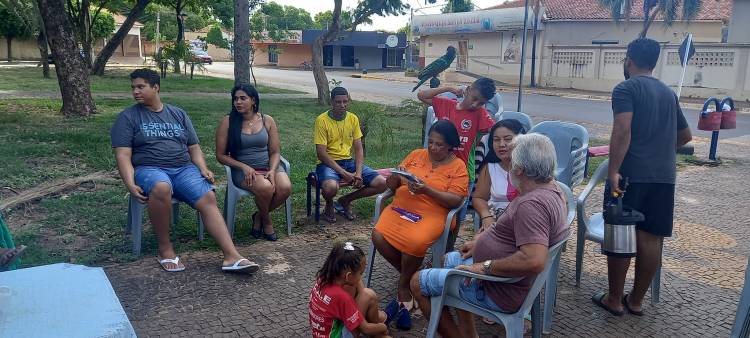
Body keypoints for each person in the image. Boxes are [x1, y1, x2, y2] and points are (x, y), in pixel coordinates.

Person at [410, 133, 569, 338]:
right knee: (450, 258)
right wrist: (481, 242)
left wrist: (483, 267)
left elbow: (534, 260)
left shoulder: (532, 205)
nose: (508, 166)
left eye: (511, 161)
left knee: (417, 282)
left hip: (500, 289)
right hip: (507, 278)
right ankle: (469, 333)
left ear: (520, 169)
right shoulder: (553, 188)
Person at [111, 68, 259, 273]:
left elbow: (193, 147)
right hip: (149, 168)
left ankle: (231, 256)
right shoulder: (128, 117)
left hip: (182, 168)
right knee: (161, 187)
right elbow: (123, 155)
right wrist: (129, 183)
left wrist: (203, 168)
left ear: (156, 87)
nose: (135, 92)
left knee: (208, 196)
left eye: (140, 87)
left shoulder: (178, 114)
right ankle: (165, 250)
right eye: (133, 88)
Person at [593, 38, 692, 316]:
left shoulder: (626, 88)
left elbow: (622, 130)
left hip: (631, 176)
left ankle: (614, 299)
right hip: (664, 177)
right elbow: (685, 136)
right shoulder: (668, 93)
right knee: (651, 239)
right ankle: (635, 301)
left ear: (629, 60)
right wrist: (659, 150)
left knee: (621, 236)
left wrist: (613, 171)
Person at [371, 120, 468, 330]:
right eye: (431, 142)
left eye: (440, 145)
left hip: (431, 214)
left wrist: (427, 190)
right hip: (401, 208)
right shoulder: (416, 154)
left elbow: (455, 201)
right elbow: (392, 185)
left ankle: (404, 286)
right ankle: (415, 277)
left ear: (451, 145)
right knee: (378, 235)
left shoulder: (458, 166)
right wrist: (395, 178)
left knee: (415, 241)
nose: (433, 148)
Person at [215, 84, 292, 241]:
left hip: (267, 166)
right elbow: (220, 155)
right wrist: (244, 166)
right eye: (235, 99)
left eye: (243, 98)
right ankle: (267, 222)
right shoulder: (228, 122)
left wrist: (272, 170)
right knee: (266, 187)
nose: (238, 102)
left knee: (285, 187)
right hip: (242, 171)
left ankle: (258, 216)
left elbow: (275, 152)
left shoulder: (267, 120)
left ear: (253, 101)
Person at [314, 87, 387, 223]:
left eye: (345, 101)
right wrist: (344, 173)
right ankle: (329, 203)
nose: (342, 105)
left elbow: (358, 149)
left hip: (348, 161)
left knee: (382, 183)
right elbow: (321, 154)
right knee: (330, 188)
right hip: (328, 164)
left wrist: (358, 173)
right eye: (338, 102)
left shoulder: (352, 118)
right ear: (331, 102)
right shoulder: (322, 120)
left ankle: (345, 200)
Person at [417, 77, 497, 183]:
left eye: (481, 103)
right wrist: (449, 88)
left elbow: (496, 130)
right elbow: (421, 95)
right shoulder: (446, 105)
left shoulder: (480, 114)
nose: (475, 105)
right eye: (474, 98)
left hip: (463, 173)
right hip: (440, 169)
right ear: (467, 90)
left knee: (456, 199)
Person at [309, 241, 391, 338]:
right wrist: (383, 328)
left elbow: (358, 286)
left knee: (367, 294)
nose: (361, 277)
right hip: (337, 335)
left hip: (320, 332)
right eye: (361, 273)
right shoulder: (342, 297)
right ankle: (378, 329)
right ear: (348, 276)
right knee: (369, 296)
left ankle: (377, 319)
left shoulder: (322, 279)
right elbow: (365, 328)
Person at [472, 119, 525, 230]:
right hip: (496, 222)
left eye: (508, 139)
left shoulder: (532, 166)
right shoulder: (490, 167)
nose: (501, 144)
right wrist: (486, 216)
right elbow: (478, 197)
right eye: (496, 140)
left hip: (525, 222)